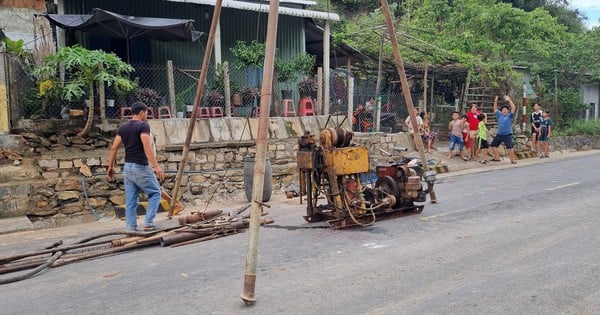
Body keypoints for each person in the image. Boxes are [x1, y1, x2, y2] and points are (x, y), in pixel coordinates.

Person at [107, 102, 165, 232]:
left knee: (131, 199)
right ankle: (148, 223)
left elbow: (114, 148)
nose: (147, 115)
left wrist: (110, 167)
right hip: (140, 166)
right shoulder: (143, 126)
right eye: (146, 112)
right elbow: (147, 146)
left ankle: (130, 226)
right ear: (142, 112)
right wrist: (156, 166)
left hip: (127, 168)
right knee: (155, 192)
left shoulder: (123, 127)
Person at [490, 95, 518, 164]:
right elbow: (495, 108)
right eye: (503, 110)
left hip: (507, 134)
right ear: (501, 111)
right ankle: (497, 158)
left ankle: (513, 160)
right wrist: (496, 99)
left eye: (506, 110)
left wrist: (509, 100)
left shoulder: (509, 116)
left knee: (509, 148)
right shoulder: (500, 115)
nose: (504, 110)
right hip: (499, 134)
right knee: (493, 145)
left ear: (508, 111)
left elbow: (513, 107)